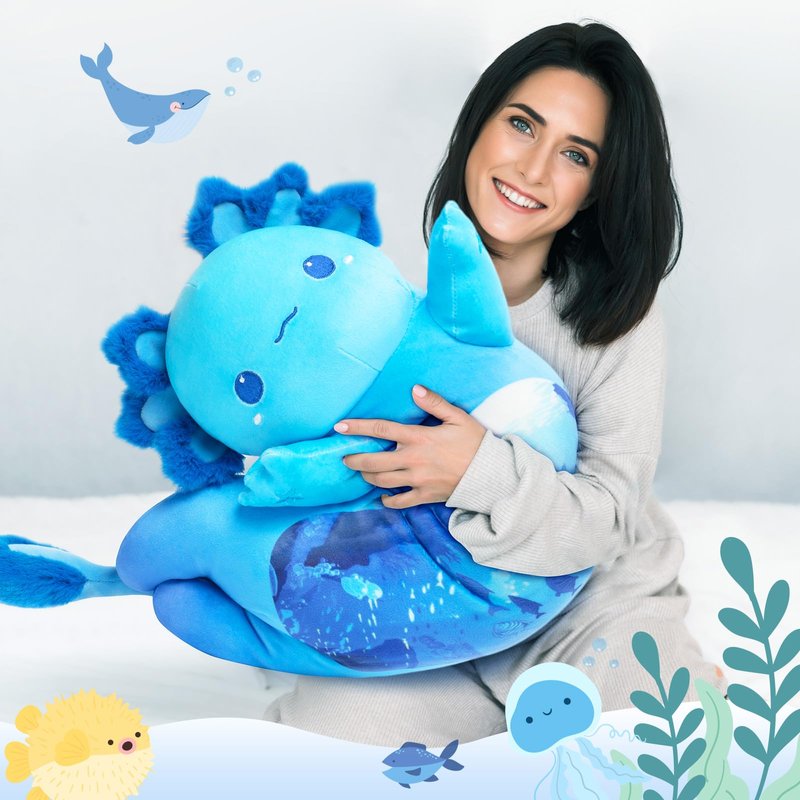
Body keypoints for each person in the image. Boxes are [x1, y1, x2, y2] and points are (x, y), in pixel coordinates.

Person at [264, 20, 727, 744]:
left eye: (574, 154)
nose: (533, 169)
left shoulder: (617, 322)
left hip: (590, 612)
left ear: (595, 189)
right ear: (478, 125)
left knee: (672, 738)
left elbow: (609, 519)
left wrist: (478, 469)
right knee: (328, 740)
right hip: (441, 620)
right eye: (521, 124)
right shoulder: (394, 318)